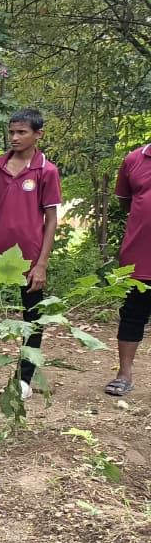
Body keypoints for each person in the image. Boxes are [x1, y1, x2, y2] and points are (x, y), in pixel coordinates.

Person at [0, 109, 61, 400]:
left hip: (30, 257)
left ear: (38, 135)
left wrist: (41, 263)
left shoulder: (47, 170)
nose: (15, 138)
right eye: (12, 132)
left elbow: (52, 218)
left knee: (32, 317)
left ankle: (24, 377)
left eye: (22, 132)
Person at [105, 141, 151, 397]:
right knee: (133, 313)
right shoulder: (134, 160)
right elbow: (125, 201)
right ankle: (124, 374)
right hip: (140, 253)